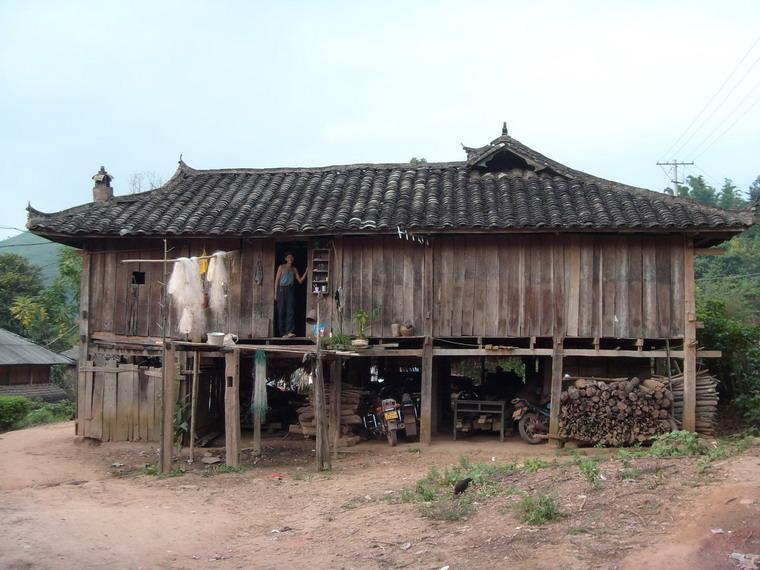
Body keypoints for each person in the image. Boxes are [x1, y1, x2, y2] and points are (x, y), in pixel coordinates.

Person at [274, 252, 308, 338]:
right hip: (281, 289)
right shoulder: (281, 267)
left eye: (292, 257)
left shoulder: (294, 269)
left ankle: (289, 331)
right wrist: (275, 293)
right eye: (288, 257)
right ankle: (282, 333)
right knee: (281, 311)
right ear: (285, 259)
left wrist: (306, 272)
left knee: (290, 311)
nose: (290, 258)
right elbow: (276, 281)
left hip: (290, 290)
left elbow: (300, 281)